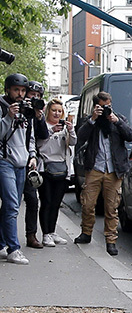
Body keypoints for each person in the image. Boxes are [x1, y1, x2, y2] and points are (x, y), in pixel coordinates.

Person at [73, 91, 132, 256]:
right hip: (95, 167)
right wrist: (93, 119)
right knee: (87, 204)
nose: (105, 109)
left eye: (107, 106)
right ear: (96, 106)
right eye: (101, 107)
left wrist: (117, 122)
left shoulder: (118, 119)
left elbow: (130, 136)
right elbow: (80, 137)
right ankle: (86, 233)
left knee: (112, 207)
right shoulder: (91, 121)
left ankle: (111, 241)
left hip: (114, 169)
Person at [0, 73, 37, 265]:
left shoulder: (26, 109)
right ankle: (14, 249)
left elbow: (29, 136)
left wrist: (32, 155)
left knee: (9, 206)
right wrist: (8, 117)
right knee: (13, 205)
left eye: (23, 90)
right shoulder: (1, 106)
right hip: (4, 161)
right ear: (8, 89)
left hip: (22, 162)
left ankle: (0, 243)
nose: (20, 94)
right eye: (16, 90)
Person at [37, 98, 75, 247]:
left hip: (61, 169)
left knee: (56, 203)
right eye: (54, 110)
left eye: (59, 111)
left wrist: (71, 130)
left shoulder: (64, 127)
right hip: (45, 168)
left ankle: (52, 231)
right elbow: (39, 145)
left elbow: (73, 143)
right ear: (48, 111)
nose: (57, 113)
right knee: (46, 201)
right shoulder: (43, 126)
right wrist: (51, 131)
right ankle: (45, 234)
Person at [22, 80, 49, 249]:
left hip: (30, 160)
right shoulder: (18, 110)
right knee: (11, 202)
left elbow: (43, 135)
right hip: (12, 159)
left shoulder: (37, 115)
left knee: (32, 200)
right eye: (32, 95)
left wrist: (39, 118)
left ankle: (31, 235)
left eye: (38, 96)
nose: (34, 99)